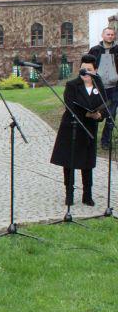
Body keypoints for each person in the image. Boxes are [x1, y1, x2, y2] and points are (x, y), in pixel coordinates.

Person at [50, 54, 105, 206]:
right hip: (72, 127)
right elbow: (70, 105)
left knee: (87, 162)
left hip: (89, 128)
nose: (85, 72)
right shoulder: (72, 85)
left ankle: (87, 195)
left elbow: (105, 105)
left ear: (95, 70)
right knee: (69, 162)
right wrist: (87, 113)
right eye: (83, 69)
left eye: (89, 69)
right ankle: (69, 194)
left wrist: (100, 115)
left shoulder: (99, 84)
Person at [87, 27, 118, 149]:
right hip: (98, 88)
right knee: (94, 113)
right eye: (108, 34)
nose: (110, 36)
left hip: (114, 88)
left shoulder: (117, 50)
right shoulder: (95, 50)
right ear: (102, 35)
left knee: (111, 115)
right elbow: (86, 66)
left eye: (112, 34)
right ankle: (90, 140)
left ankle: (105, 142)